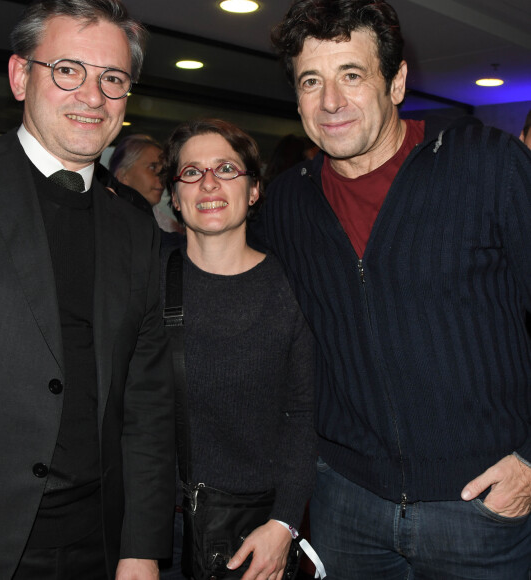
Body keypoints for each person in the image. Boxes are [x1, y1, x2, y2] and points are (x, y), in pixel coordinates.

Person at [252, 0, 531, 578]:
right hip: (344, 506)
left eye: (352, 75)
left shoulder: (487, 166)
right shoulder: (286, 204)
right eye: (312, 81)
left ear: (396, 81)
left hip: (482, 507)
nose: (331, 101)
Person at [0, 1, 175, 579]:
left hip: (95, 545)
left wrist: (141, 548)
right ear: (20, 75)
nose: (93, 96)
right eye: (69, 70)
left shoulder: (133, 225)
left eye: (113, 79)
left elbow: (145, 406)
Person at [160, 118, 317, 580]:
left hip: (256, 527)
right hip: (158, 527)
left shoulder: (292, 286)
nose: (208, 182)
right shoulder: (146, 279)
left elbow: (303, 415)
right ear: (174, 195)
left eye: (226, 168)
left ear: (253, 190)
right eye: (191, 172)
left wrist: (284, 523)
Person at [109, 133, 164, 209]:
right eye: (152, 167)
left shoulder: (162, 220)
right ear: (123, 175)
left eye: (164, 170)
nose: (162, 178)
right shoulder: (102, 216)